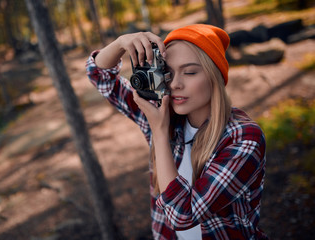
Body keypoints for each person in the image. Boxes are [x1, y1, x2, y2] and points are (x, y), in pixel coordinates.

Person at [86, 24, 268, 240]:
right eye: (168, 73)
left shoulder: (243, 138)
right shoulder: (165, 116)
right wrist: (120, 43)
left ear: (215, 76)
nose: (175, 84)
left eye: (190, 72)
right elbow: (100, 76)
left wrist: (159, 134)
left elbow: (183, 215)